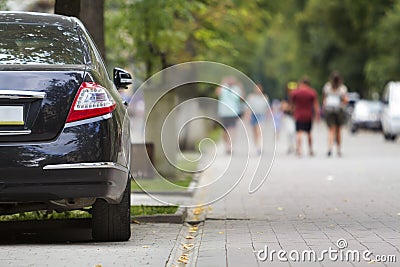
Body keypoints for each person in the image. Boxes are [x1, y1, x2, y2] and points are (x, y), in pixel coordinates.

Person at [290, 77, 320, 156]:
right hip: (308, 115)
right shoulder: (312, 92)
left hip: (298, 114)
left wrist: (292, 111)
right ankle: (310, 150)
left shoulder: (296, 92)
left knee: (299, 132)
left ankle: (299, 150)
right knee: (309, 133)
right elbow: (316, 104)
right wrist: (317, 115)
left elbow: (292, 103)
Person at [322, 71, 348, 157]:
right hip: (339, 111)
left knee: (331, 130)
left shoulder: (327, 87)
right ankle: (338, 150)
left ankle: (329, 148)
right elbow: (345, 100)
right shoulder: (342, 89)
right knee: (339, 130)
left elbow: (324, 100)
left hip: (329, 111)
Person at [216, 76, 244, 154]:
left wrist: (241, 88)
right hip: (223, 112)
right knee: (224, 132)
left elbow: (241, 99)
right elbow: (217, 93)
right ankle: (227, 145)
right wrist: (222, 83)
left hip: (233, 112)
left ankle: (230, 146)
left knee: (232, 130)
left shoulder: (236, 89)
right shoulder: (223, 88)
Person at [245, 84, 269, 154]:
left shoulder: (265, 97)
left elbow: (267, 107)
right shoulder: (251, 97)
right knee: (255, 132)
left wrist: (268, 116)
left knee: (259, 131)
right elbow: (248, 107)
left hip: (261, 115)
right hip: (253, 115)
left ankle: (260, 147)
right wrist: (247, 115)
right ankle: (257, 145)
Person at [281, 82, 297, 154]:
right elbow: (284, 108)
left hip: (296, 117)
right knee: (290, 131)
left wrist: (290, 107)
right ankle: (290, 146)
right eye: (291, 89)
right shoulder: (286, 97)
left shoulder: (297, 97)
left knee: (295, 132)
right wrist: (290, 108)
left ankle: (296, 146)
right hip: (288, 117)